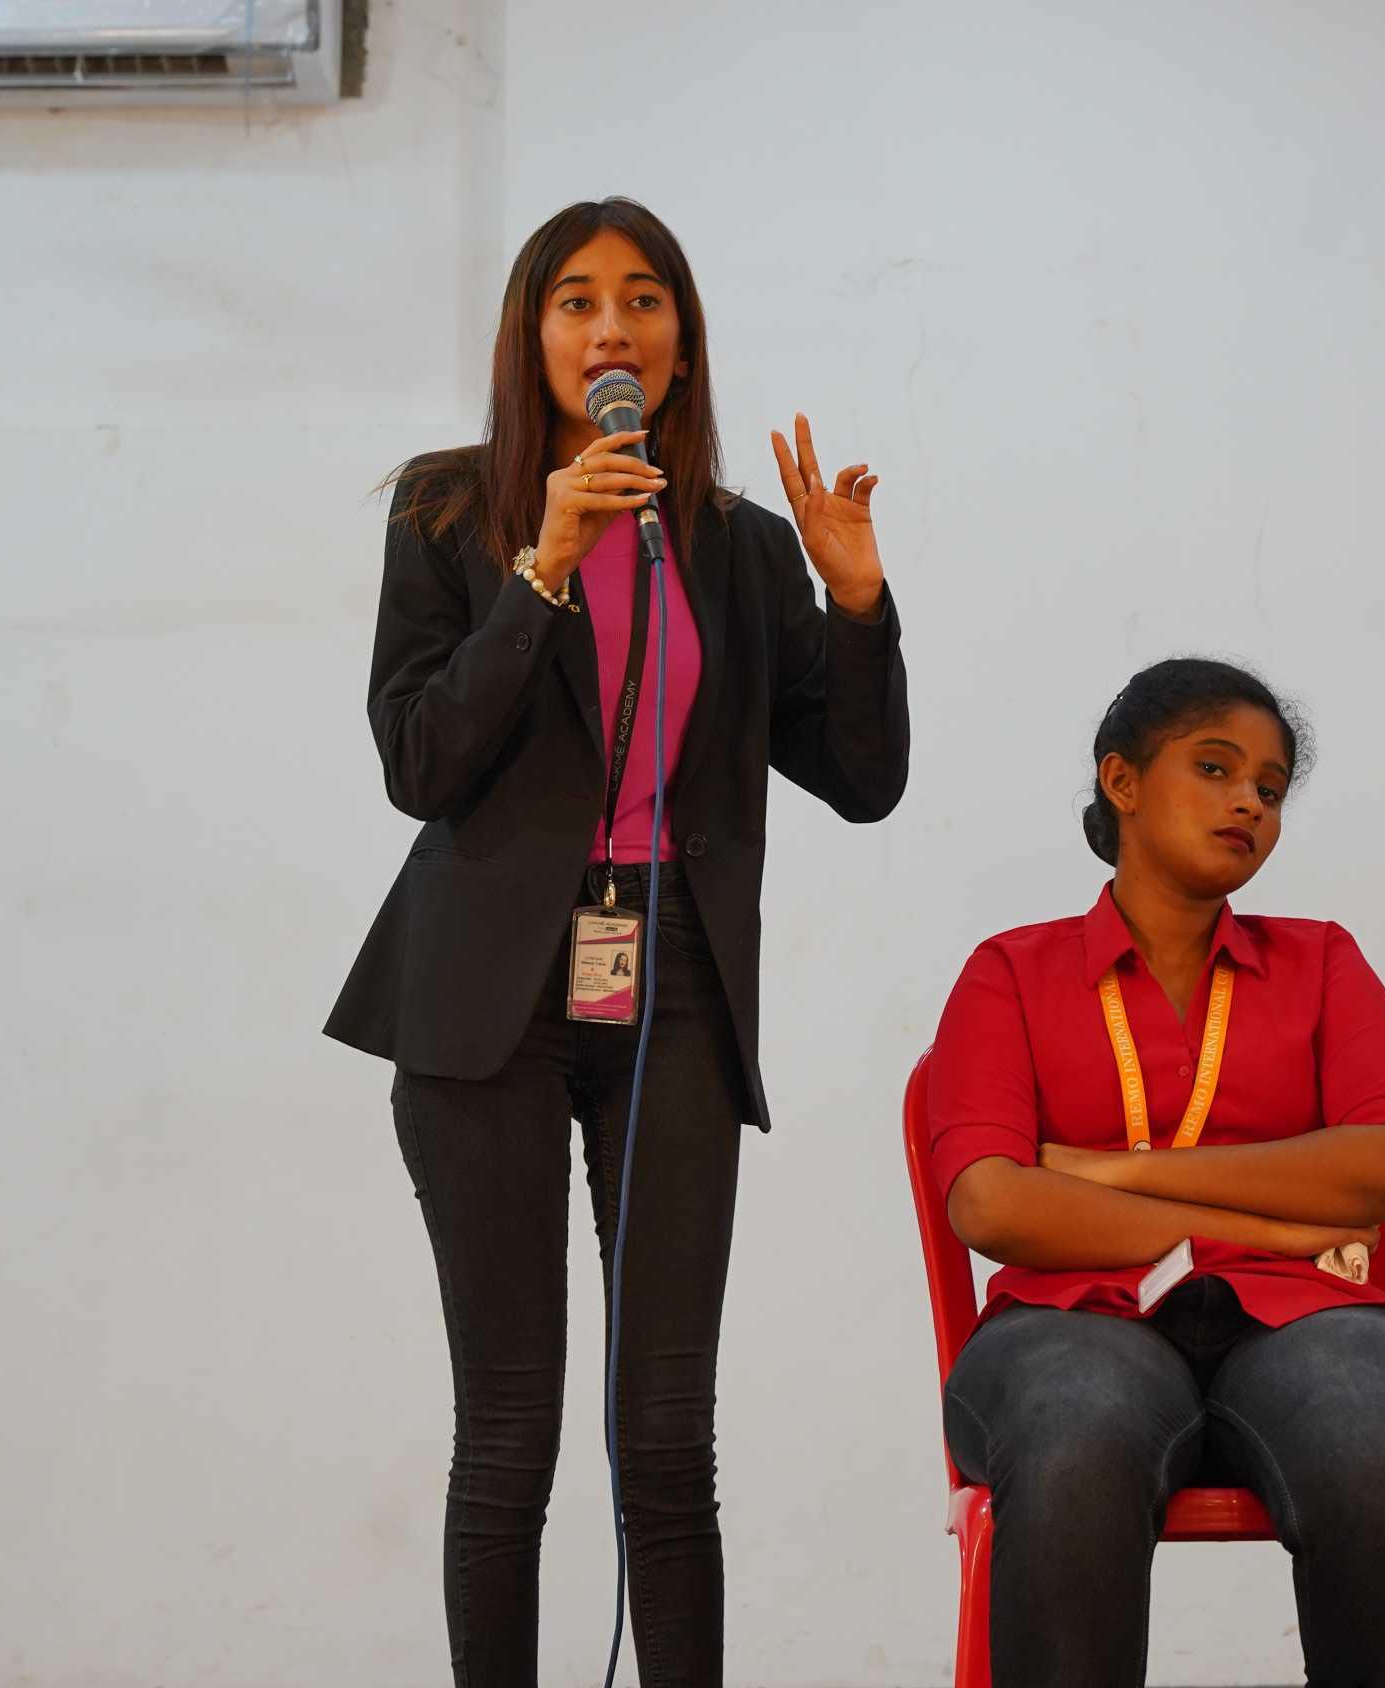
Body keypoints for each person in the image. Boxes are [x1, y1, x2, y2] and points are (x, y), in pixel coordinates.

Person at [323, 197, 910, 1683]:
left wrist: (855, 606)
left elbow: (864, 780)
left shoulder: (734, 546)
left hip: (679, 994)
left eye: (645, 300)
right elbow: (421, 761)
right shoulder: (448, 515)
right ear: (536, 340)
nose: (613, 328)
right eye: (578, 301)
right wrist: (540, 569)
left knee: (666, 1440)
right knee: (509, 1434)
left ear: (681, 343)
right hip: (482, 1012)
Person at [920, 658, 1385, 1686]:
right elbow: (994, 1199)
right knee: (1077, 1429)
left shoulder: (1323, 962)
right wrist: (1274, 1219)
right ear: (1122, 780)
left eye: (1269, 789)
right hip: (1074, 1316)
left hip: (1304, 1319)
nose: (1247, 803)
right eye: (1215, 767)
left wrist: (1114, 1173)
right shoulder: (1012, 970)